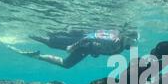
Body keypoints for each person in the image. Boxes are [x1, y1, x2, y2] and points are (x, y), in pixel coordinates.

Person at [9, 29, 139, 69]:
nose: (132, 43)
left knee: (66, 65)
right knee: (51, 42)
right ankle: (29, 34)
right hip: (81, 42)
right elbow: (89, 36)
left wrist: (96, 52)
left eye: (134, 41)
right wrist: (73, 46)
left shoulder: (122, 48)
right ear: (125, 36)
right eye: (131, 40)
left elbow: (103, 50)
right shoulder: (111, 38)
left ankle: (37, 56)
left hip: (86, 50)